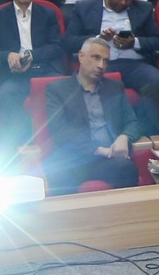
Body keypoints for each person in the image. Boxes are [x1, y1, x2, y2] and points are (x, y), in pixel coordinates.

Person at [41, 38, 146, 191]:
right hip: (73, 159)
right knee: (57, 172)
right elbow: (60, 130)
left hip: (108, 160)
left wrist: (124, 137)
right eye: (96, 58)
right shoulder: (57, 89)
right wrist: (97, 149)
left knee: (126, 168)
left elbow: (132, 122)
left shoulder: (115, 87)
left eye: (105, 61)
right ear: (81, 56)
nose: (101, 66)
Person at [0, 0, 66, 135]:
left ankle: (60, 140)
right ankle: (18, 142)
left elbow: (58, 47)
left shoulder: (48, 13)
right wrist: (8, 55)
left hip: (46, 71)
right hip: (16, 76)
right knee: (7, 94)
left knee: (66, 91)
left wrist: (32, 56)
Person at [61, 0, 159, 102]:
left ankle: (144, 116)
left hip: (135, 65)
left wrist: (134, 43)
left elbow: (157, 41)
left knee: (157, 81)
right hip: (101, 64)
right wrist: (98, 40)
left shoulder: (144, 8)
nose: (124, 2)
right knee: (101, 87)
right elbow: (69, 42)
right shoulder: (84, 8)